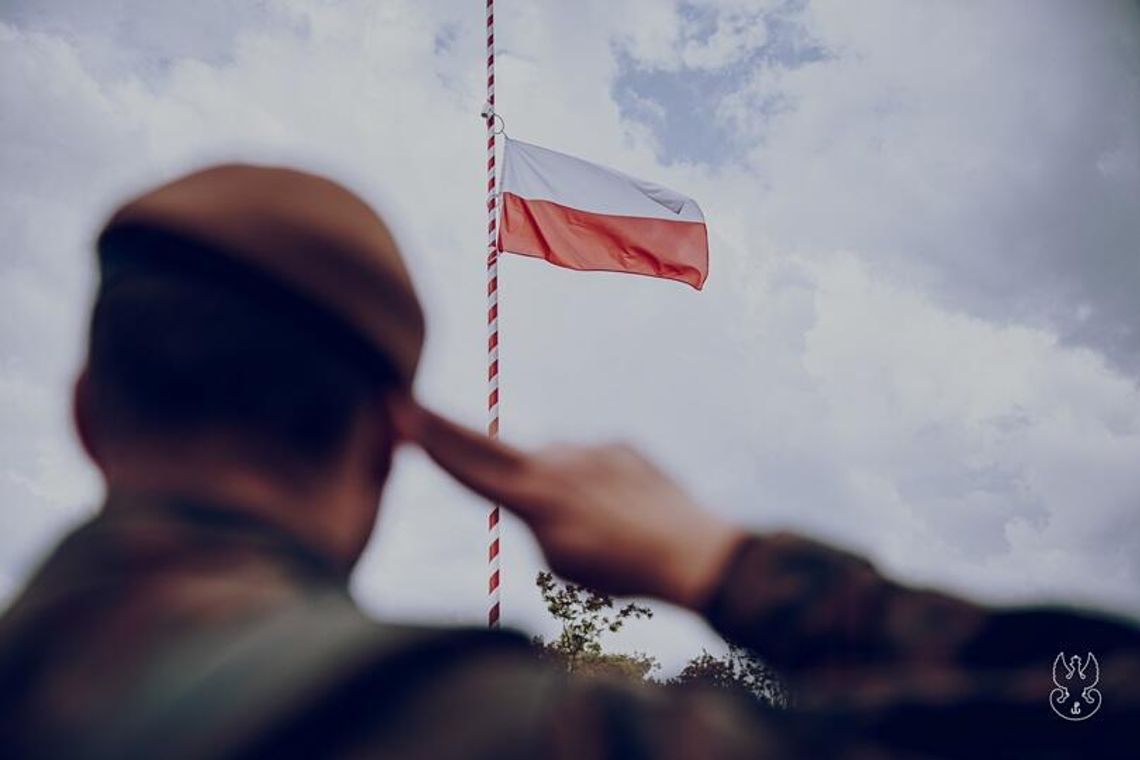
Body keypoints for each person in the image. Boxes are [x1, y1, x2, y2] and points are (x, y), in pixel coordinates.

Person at [0, 164, 1136, 759]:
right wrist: (717, 562)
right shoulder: (535, 737)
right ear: (390, 448)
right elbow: (1098, 709)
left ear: (87, 411)